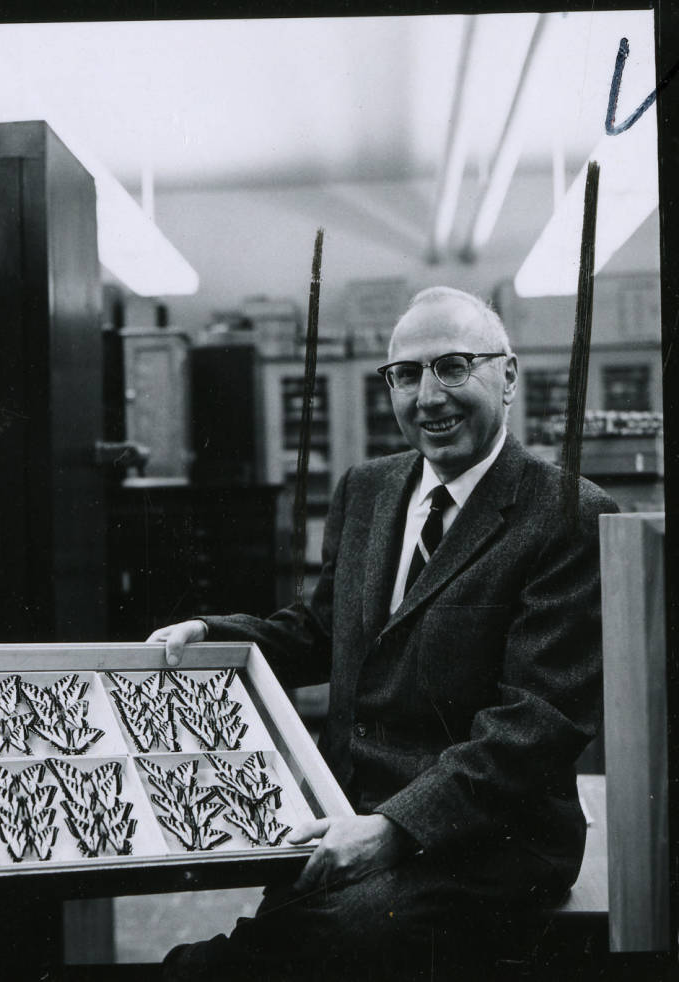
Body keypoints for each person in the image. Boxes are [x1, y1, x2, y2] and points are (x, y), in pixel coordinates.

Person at [147, 286, 618, 980]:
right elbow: (319, 630)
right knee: (293, 931)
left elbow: (534, 727)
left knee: (302, 949)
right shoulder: (367, 489)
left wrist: (393, 830)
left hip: (485, 845)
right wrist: (211, 633)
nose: (428, 397)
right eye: (406, 374)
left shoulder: (567, 515)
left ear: (508, 376)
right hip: (349, 812)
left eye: (453, 366)